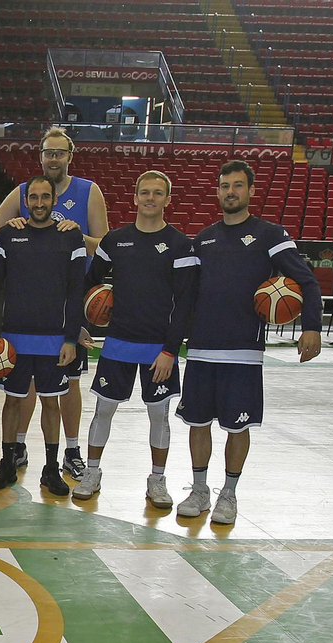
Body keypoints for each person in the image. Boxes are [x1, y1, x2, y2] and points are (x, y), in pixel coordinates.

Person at [176, 160, 321, 525]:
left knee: (237, 427)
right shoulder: (204, 239)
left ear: (251, 191)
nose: (231, 192)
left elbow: (307, 281)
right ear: (218, 191)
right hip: (201, 348)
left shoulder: (270, 235)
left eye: (238, 185)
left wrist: (312, 326)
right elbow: (186, 295)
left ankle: (229, 494)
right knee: (197, 423)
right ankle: (199, 490)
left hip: (244, 350)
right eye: (225, 186)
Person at [76, 171, 198, 507]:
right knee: (103, 411)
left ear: (167, 200)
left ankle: (157, 480)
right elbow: (89, 284)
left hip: (159, 348)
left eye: (158, 193)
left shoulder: (180, 244)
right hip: (117, 344)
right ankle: (93, 472)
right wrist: (78, 321)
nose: (150, 198)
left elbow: (185, 303)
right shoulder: (115, 241)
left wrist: (171, 351)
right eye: (144, 192)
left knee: (158, 415)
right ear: (134, 197)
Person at [0, 127, 107, 477]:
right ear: (40, 155)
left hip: (69, 300)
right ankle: (18, 447)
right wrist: (15, 221)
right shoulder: (22, 192)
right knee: (24, 385)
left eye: (60, 152)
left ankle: (71, 450)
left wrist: (74, 233)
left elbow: (103, 246)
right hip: (30, 304)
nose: (54, 158)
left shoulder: (89, 192)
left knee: (66, 386)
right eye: (48, 152)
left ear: (70, 156)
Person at [0, 175, 86, 497]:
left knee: (51, 404)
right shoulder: (9, 235)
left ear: (54, 201)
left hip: (55, 339)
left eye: (45, 197)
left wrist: (70, 339)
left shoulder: (71, 237)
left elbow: (76, 291)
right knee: (13, 402)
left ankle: (51, 469)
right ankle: (7, 463)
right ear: (26, 201)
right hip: (14, 338)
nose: (39, 203)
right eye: (33, 197)